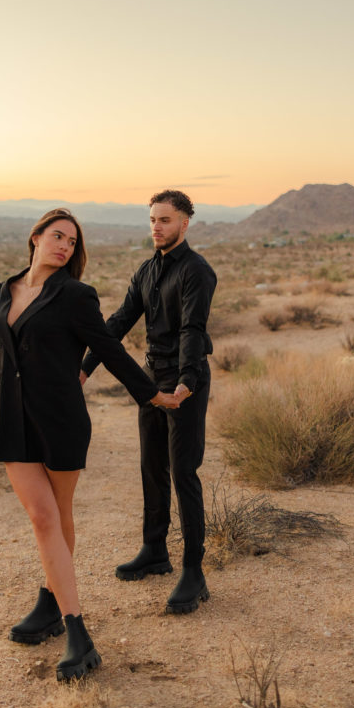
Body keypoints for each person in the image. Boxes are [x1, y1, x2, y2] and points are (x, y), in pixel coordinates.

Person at [0, 208, 180, 682]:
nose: (64, 247)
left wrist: (152, 393)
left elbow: (110, 348)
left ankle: (72, 627)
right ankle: (55, 608)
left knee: (55, 515)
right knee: (42, 517)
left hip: (60, 421)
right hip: (15, 421)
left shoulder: (75, 295)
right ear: (35, 237)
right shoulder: (5, 289)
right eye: (57, 236)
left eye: (72, 243)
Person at [81, 190, 217, 614]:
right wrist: (86, 366)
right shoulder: (146, 270)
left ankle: (193, 572)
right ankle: (154, 551)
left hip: (184, 380)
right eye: (153, 220)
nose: (157, 227)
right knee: (151, 468)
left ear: (185, 224)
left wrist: (188, 380)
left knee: (183, 471)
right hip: (150, 378)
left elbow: (192, 329)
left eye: (166, 220)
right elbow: (120, 321)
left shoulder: (197, 271)